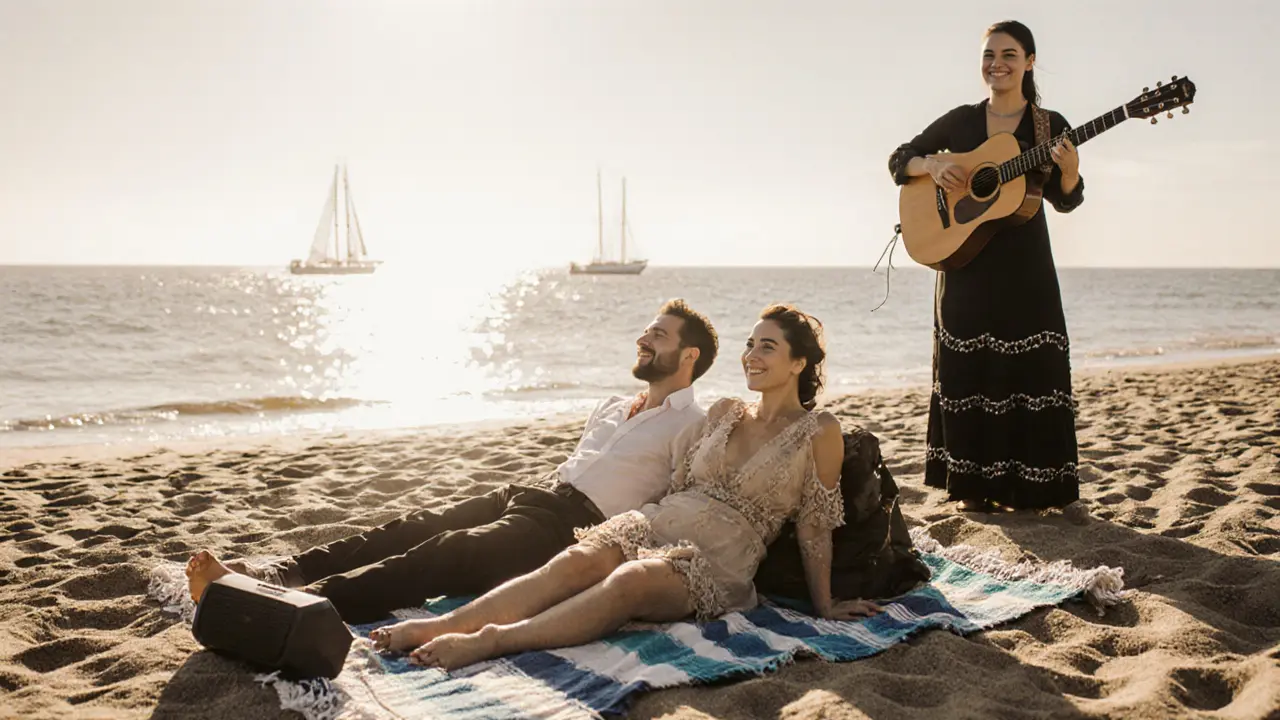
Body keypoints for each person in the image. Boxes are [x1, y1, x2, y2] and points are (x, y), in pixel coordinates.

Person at [368, 304, 883, 670]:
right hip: (660, 518)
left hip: (721, 554)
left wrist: (825, 603)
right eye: (749, 344)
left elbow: (816, 524)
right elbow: (673, 481)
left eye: (767, 347)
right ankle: (442, 626)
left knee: (629, 583)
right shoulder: (725, 412)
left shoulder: (820, 431)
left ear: (799, 362)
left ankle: (491, 640)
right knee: (574, 563)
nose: (751, 355)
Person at [184, 299, 719, 624]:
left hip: (575, 529)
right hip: (532, 492)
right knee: (415, 524)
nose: (643, 339)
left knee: (446, 552)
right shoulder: (610, 405)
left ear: (688, 356)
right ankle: (283, 570)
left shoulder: (693, 424)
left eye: (658, 334)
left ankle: (294, 601)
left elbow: (680, 501)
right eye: (647, 330)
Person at [888, 20, 1083, 512]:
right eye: (989, 54)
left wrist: (1070, 171)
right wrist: (931, 166)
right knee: (968, 370)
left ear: (1030, 62)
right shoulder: (961, 122)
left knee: (1034, 369)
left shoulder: (1049, 125)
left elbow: (1066, 200)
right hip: (965, 267)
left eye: (1009, 54)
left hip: (1027, 268)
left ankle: (1038, 490)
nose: (997, 63)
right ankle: (972, 489)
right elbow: (899, 159)